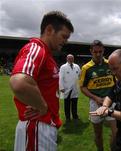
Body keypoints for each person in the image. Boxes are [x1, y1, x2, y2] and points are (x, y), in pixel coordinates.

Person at [9, 11, 74, 151]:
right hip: (37, 125)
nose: (65, 41)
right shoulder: (37, 48)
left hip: (43, 125)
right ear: (49, 30)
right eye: (64, 36)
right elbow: (19, 82)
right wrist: (43, 107)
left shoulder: (46, 54)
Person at [79, 40, 117, 151]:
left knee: (116, 132)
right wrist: (96, 98)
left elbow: (117, 82)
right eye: (95, 52)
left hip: (111, 103)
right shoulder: (86, 68)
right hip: (95, 104)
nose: (98, 54)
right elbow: (82, 87)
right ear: (91, 51)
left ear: (104, 50)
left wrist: (111, 96)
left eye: (100, 51)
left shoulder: (110, 64)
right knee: (98, 133)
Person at [59, 54, 81, 122]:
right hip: (67, 88)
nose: (71, 60)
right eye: (69, 58)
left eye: (72, 58)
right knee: (67, 104)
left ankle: (75, 116)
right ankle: (68, 117)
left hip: (75, 88)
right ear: (67, 59)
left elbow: (80, 75)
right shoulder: (63, 67)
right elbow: (60, 78)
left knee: (74, 103)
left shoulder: (77, 66)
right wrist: (61, 87)